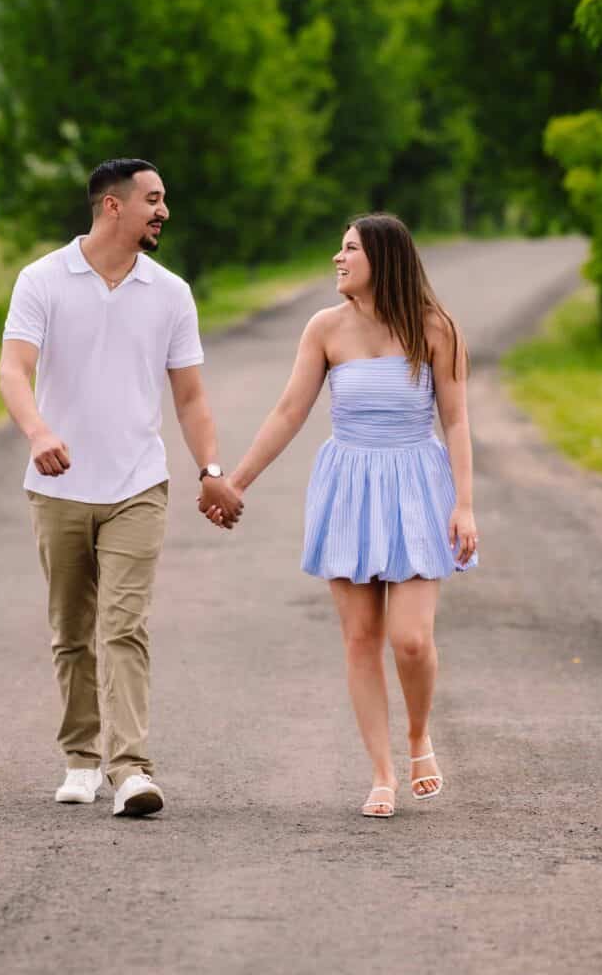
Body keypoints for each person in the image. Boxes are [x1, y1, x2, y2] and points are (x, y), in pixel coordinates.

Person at [208, 212, 478, 819]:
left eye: (349, 249)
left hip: (415, 485)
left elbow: (457, 419)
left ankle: (417, 739)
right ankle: (382, 774)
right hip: (350, 487)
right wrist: (235, 483)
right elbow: (287, 413)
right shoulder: (324, 328)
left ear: (382, 259)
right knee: (361, 638)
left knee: (411, 641)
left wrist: (464, 504)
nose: (337, 258)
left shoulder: (437, 328)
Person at [0, 158, 243, 818]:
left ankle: (130, 768)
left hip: (139, 484)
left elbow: (190, 398)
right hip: (58, 488)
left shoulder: (171, 293)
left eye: (164, 200)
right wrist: (38, 433)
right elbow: (15, 371)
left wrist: (212, 471)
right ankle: (81, 757)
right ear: (113, 206)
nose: (164, 211)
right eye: (153, 200)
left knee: (124, 626)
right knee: (71, 631)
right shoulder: (42, 280)